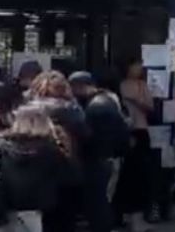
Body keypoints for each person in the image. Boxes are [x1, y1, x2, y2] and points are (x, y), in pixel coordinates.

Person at [0, 104, 76, 232]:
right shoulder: (52, 150)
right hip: (42, 211)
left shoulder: (2, 147)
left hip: (7, 209)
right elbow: (71, 179)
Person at [69, 71, 130, 232]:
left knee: (99, 201)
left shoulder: (97, 107)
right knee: (101, 200)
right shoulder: (105, 101)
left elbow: (94, 137)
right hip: (107, 158)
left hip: (100, 159)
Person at [29, 70, 88, 232]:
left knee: (44, 218)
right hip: (66, 168)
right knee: (65, 218)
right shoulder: (71, 109)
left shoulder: (28, 108)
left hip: (37, 170)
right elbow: (86, 134)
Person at [116, 59, 156, 232]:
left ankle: (140, 214)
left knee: (142, 172)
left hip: (141, 129)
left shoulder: (142, 85)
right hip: (128, 130)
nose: (138, 69)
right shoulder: (122, 85)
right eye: (135, 66)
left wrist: (138, 101)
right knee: (128, 172)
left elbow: (150, 106)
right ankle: (125, 213)